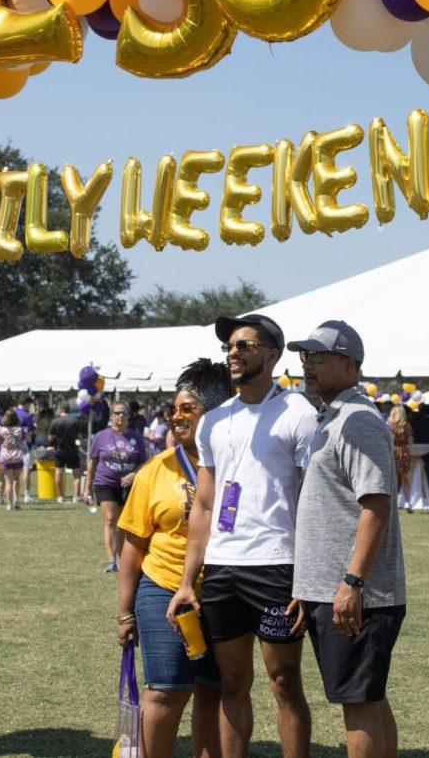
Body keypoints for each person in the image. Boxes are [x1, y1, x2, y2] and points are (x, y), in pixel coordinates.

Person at [167, 314, 318, 758]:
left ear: (272, 354)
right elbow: (206, 505)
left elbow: (314, 500)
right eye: (229, 347)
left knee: (284, 681)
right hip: (223, 569)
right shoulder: (214, 421)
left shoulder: (298, 413)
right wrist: (185, 582)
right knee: (232, 682)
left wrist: (308, 576)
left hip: (276, 565)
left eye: (244, 346)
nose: (233, 353)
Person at [288, 321, 405, 758]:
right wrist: (309, 586)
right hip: (337, 589)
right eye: (304, 356)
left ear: (351, 365)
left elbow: (376, 505)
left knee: (356, 704)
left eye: (318, 357)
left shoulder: (357, 421)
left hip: (359, 594)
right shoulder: (335, 415)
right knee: (368, 698)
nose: (307, 365)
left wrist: (351, 582)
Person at [117, 359, 230, 758]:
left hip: (223, 590)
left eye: (187, 409)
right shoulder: (156, 470)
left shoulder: (238, 465)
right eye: (172, 410)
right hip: (164, 588)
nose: (175, 418)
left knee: (214, 691)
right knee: (166, 690)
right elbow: (132, 547)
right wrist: (125, 613)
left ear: (214, 415)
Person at [89, 401, 147, 572]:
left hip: (129, 485)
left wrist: (133, 474)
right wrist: (86, 489)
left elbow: (144, 463)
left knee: (123, 522)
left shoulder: (136, 438)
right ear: (111, 415)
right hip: (105, 482)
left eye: (123, 413)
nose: (120, 417)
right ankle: (111, 559)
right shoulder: (100, 436)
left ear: (128, 417)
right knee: (109, 519)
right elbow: (92, 463)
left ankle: (121, 558)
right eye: (117, 413)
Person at [49, 405, 84, 503]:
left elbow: (50, 438)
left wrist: (55, 442)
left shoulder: (55, 421)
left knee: (59, 472)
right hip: (72, 450)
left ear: (61, 409)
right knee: (76, 474)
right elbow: (80, 437)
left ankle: (60, 496)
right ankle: (75, 497)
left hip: (59, 450)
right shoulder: (75, 421)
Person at [0, 409, 28, 511]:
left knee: (8, 481)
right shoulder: (19, 430)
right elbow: (23, 442)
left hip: (5, 457)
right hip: (17, 456)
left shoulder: (2, 430)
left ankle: (9, 505)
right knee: (16, 479)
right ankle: (16, 500)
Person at [388, 406, 413, 508]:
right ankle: (407, 502)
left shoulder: (389, 426)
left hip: (392, 452)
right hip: (404, 452)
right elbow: (410, 442)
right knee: (405, 479)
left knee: (394, 479)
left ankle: (394, 501)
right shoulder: (407, 426)